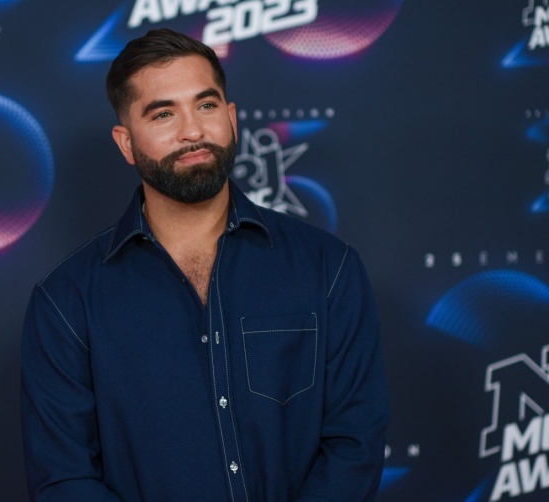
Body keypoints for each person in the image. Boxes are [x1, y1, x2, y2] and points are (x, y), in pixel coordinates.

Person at [20, 28, 389, 502]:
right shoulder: (65, 302)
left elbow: (355, 444)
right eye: (163, 113)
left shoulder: (327, 268)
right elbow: (64, 479)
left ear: (231, 119)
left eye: (206, 105)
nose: (192, 131)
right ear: (126, 143)